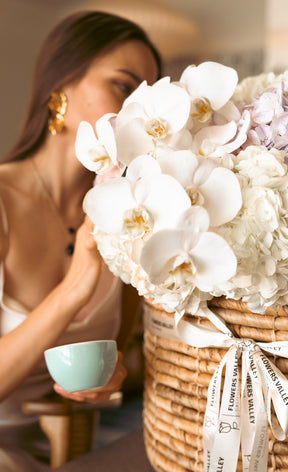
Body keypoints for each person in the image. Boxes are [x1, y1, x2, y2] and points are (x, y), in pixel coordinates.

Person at [0, 10, 161, 471]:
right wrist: (74, 288)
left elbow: (130, 356)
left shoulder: (133, 213)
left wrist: (114, 378)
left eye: (148, 97)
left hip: (68, 446)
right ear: (61, 91)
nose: (138, 111)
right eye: (123, 86)